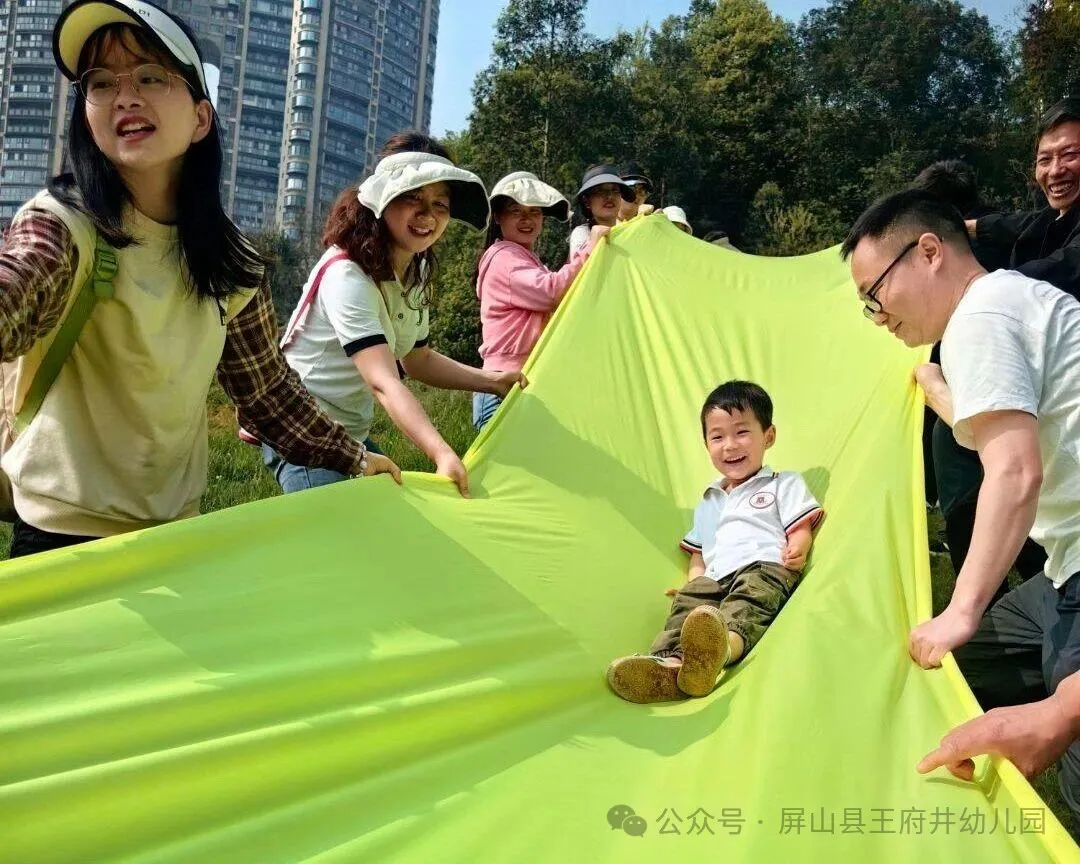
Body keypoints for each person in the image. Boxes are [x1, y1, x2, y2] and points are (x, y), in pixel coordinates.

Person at [0, 0, 398, 560]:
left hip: (173, 535)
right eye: (102, 82)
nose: (125, 96)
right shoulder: (61, 224)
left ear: (200, 119)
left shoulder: (230, 262)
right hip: (59, 539)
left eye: (150, 76)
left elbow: (266, 393)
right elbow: (14, 294)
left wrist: (354, 458)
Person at [842, 188, 1080, 821]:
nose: (876, 316)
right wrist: (938, 390)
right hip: (1063, 569)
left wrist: (961, 608)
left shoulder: (981, 317)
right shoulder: (1010, 303)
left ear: (928, 252)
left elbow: (1015, 471)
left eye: (874, 294)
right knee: (960, 674)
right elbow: (1003, 436)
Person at [262, 133, 524, 498]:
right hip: (299, 427)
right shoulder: (347, 275)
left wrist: (492, 382)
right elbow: (383, 382)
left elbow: (417, 359)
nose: (427, 215)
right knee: (330, 531)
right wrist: (441, 453)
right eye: (412, 197)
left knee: (389, 518)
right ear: (382, 199)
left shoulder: (415, 269)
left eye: (440, 204)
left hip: (349, 431)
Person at [606, 380, 824, 704]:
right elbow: (699, 553)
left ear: (768, 436)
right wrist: (694, 582)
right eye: (717, 437)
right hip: (715, 576)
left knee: (746, 607)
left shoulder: (781, 483)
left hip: (763, 567)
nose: (730, 446)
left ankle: (719, 652)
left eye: (742, 432)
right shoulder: (709, 499)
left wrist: (800, 546)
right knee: (687, 609)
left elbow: (800, 522)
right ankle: (671, 666)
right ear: (706, 444)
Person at [910, 161, 1047, 585]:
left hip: (977, 396)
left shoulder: (968, 275)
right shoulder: (1022, 233)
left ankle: (988, 601)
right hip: (1028, 399)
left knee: (978, 489)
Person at [472, 171, 609, 430]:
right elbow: (551, 292)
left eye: (534, 212)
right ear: (498, 217)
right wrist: (590, 249)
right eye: (516, 211)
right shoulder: (504, 258)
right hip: (503, 387)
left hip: (519, 382)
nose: (527, 219)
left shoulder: (523, 258)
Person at [962, 98, 1080, 300]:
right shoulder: (1052, 216)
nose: (1055, 171)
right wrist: (958, 227)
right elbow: (1015, 223)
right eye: (1044, 160)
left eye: (1069, 154)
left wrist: (974, 289)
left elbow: (1066, 266)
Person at [567, 164, 634, 255]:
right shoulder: (582, 234)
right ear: (586, 201)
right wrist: (593, 244)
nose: (609, 196)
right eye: (600, 191)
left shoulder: (629, 231)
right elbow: (579, 263)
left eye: (615, 190)